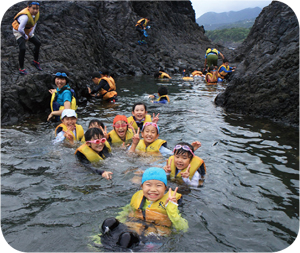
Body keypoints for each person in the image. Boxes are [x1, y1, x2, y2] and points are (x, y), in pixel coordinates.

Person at [12, 1, 42, 75]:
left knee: (38, 43)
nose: (35, 10)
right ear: (28, 7)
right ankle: (21, 69)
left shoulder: (36, 14)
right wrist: (25, 37)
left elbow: (34, 23)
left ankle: (35, 61)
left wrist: (30, 34)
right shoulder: (25, 17)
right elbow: (20, 29)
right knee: (22, 48)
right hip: (19, 31)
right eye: (33, 8)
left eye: (37, 9)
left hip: (28, 30)